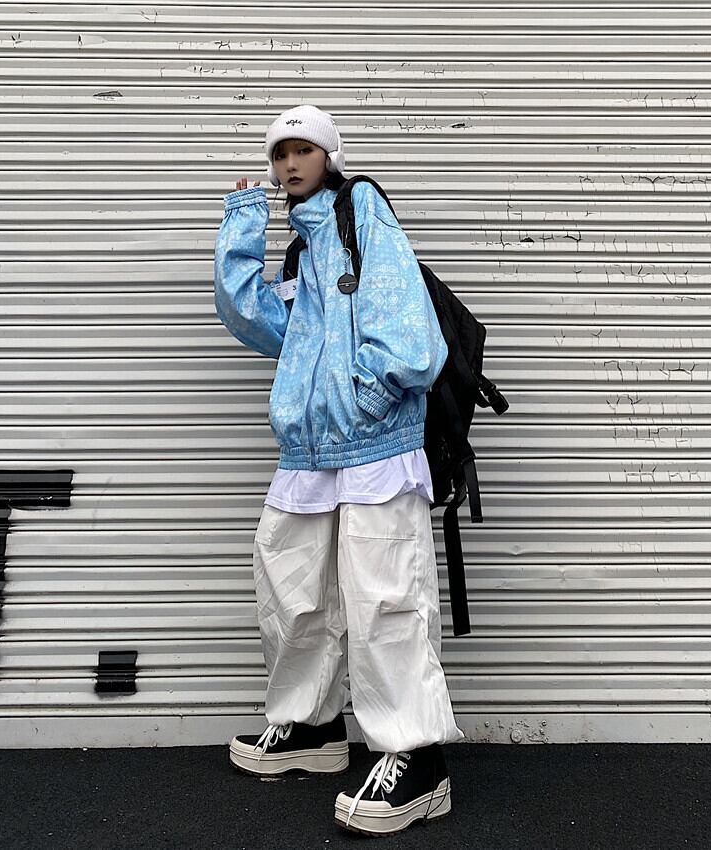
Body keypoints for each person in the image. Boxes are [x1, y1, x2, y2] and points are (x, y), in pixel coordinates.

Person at [214, 103, 465, 836]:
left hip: (376, 446)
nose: (290, 164)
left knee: (386, 598)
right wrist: (242, 227)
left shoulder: (362, 212)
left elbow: (411, 330)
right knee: (292, 589)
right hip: (310, 452)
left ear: (330, 156)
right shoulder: (303, 247)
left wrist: (366, 397)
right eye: (280, 154)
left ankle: (417, 759)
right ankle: (312, 727)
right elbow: (260, 322)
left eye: (304, 149)